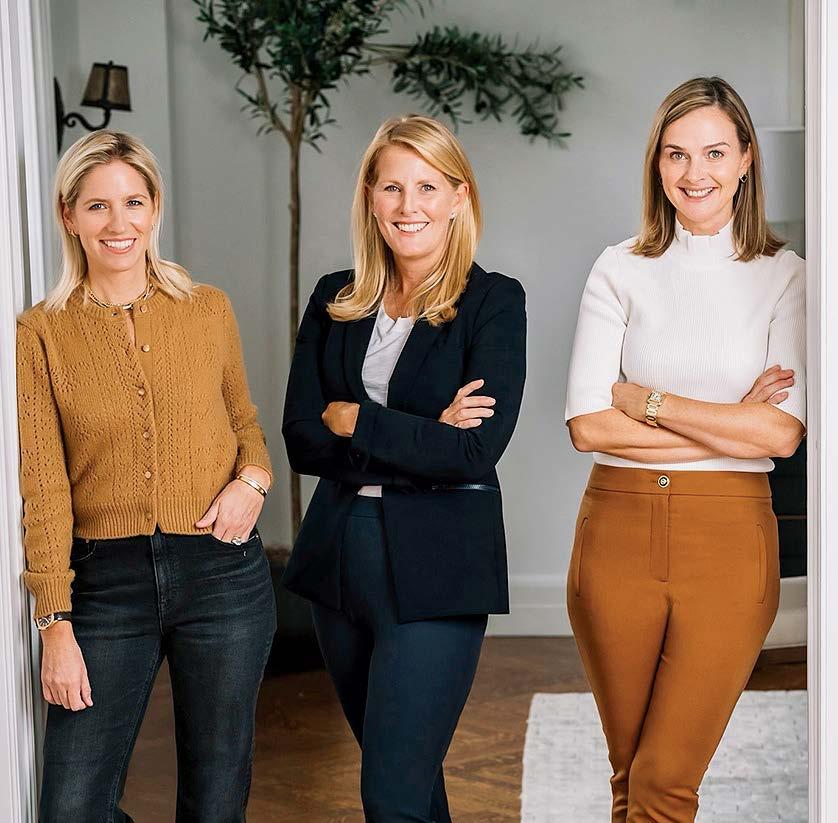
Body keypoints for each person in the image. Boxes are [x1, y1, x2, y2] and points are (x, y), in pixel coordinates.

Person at [564, 76, 805, 822]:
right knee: (630, 775)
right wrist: (731, 422)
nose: (694, 172)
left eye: (714, 152)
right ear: (657, 163)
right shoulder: (618, 267)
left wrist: (648, 401)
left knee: (665, 781)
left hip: (730, 542)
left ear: (746, 159)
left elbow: (781, 434)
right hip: (615, 534)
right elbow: (588, 426)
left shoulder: (786, 276)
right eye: (676, 154)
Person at [17, 129, 276, 822]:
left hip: (222, 574)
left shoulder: (207, 309)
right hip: (105, 585)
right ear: (69, 215)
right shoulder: (40, 333)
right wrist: (54, 622)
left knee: (216, 801)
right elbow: (45, 487)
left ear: (155, 208)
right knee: (72, 807)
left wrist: (252, 481)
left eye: (133, 202)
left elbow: (246, 426)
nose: (118, 222)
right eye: (97, 205)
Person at [282, 114, 527, 822]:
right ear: (370, 196)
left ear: (458, 196)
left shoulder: (493, 302)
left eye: (427, 186)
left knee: (390, 793)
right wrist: (424, 433)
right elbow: (302, 440)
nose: (408, 205)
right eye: (392, 186)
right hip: (338, 561)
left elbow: (473, 451)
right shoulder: (335, 297)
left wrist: (357, 420)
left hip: (439, 567)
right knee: (408, 784)